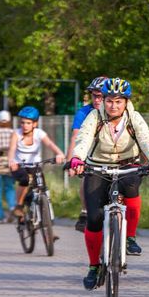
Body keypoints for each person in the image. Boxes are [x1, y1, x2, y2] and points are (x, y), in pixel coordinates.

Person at [68, 77, 149, 290]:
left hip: (127, 164)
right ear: (103, 101)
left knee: (131, 190)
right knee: (93, 218)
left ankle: (129, 238)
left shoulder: (133, 117)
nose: (113, 105)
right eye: (109, 101)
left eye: (118, 101)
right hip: (97, 167)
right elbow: (83, 139)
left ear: (126, 102)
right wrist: (77, 159)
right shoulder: (94, 116)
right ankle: (93, 266)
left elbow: (146, 138)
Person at [66, 76, 107, 232]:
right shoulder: (84, 112)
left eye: (101, 96)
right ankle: (84, 212)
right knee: (86, 175)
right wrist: (72, 161)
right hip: (89, 152)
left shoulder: (118, 110)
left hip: (113, 154)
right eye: (94, 96)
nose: (97, 100)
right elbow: (75, 136)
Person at [8, 106, 66, 217]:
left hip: (35, 165)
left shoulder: (39, 133)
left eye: (28, 123)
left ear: (35, 124)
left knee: (41, 185)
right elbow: (11, 149)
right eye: (23, 123)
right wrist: (11, 161)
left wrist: (59, 154)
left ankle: (47, 220)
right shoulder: (16, 134)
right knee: (24, 180)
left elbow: (50, 144)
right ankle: (19, 206)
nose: (25, 126)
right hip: (19, 165)